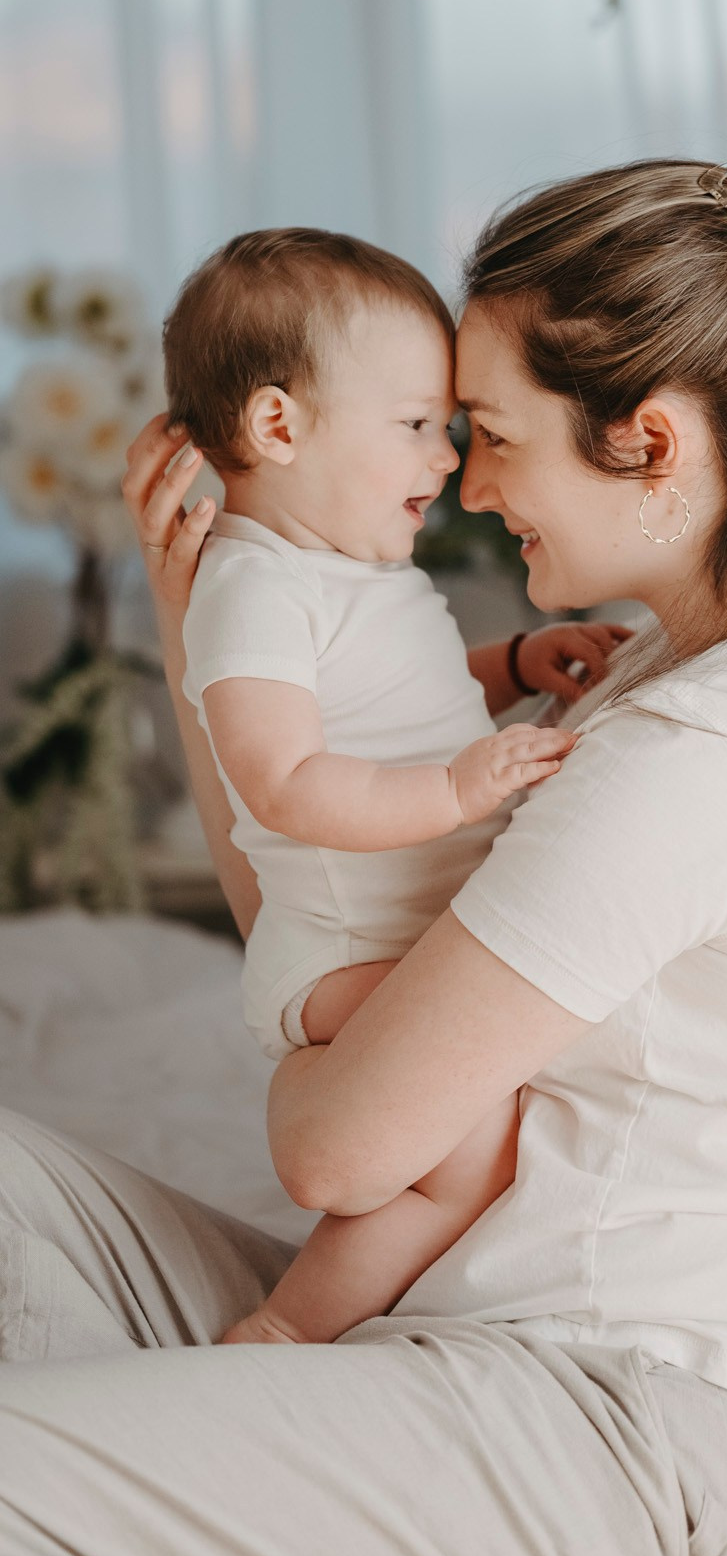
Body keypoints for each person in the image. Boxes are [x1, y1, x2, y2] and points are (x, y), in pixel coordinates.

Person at [0, 157, 727, 1556]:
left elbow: (331, 1149)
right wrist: (208, 633)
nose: (464, 478)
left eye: (491, 431)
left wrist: (321, 1076)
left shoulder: (718, 751)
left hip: (616, 1409)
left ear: (649, 441)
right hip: (459, 1327)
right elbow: (319, 913)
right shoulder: (672, 670)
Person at [159, 226, 626, 1348]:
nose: (445, 464)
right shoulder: (255, 586)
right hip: (340, 946)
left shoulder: (354, 574)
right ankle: (286, 1329)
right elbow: (281, 777)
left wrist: (510, 668)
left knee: (477, 1131)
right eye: (419, 427)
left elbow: (402, 716)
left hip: (395, 932)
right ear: (279, 425)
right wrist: (459, 795)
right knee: (465, 1160)